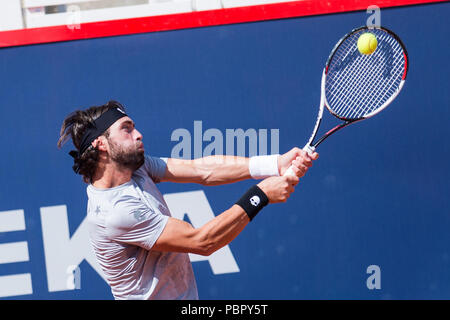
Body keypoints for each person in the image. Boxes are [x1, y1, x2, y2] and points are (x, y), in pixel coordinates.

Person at [57, 100, 318, 300]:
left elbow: (202, 170)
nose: (139, 134)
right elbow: (203, 241)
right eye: (127, 129)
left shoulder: (134, 167)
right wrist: (260, 195)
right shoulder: (115, 213)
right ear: (101, 145)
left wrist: (274, 164)